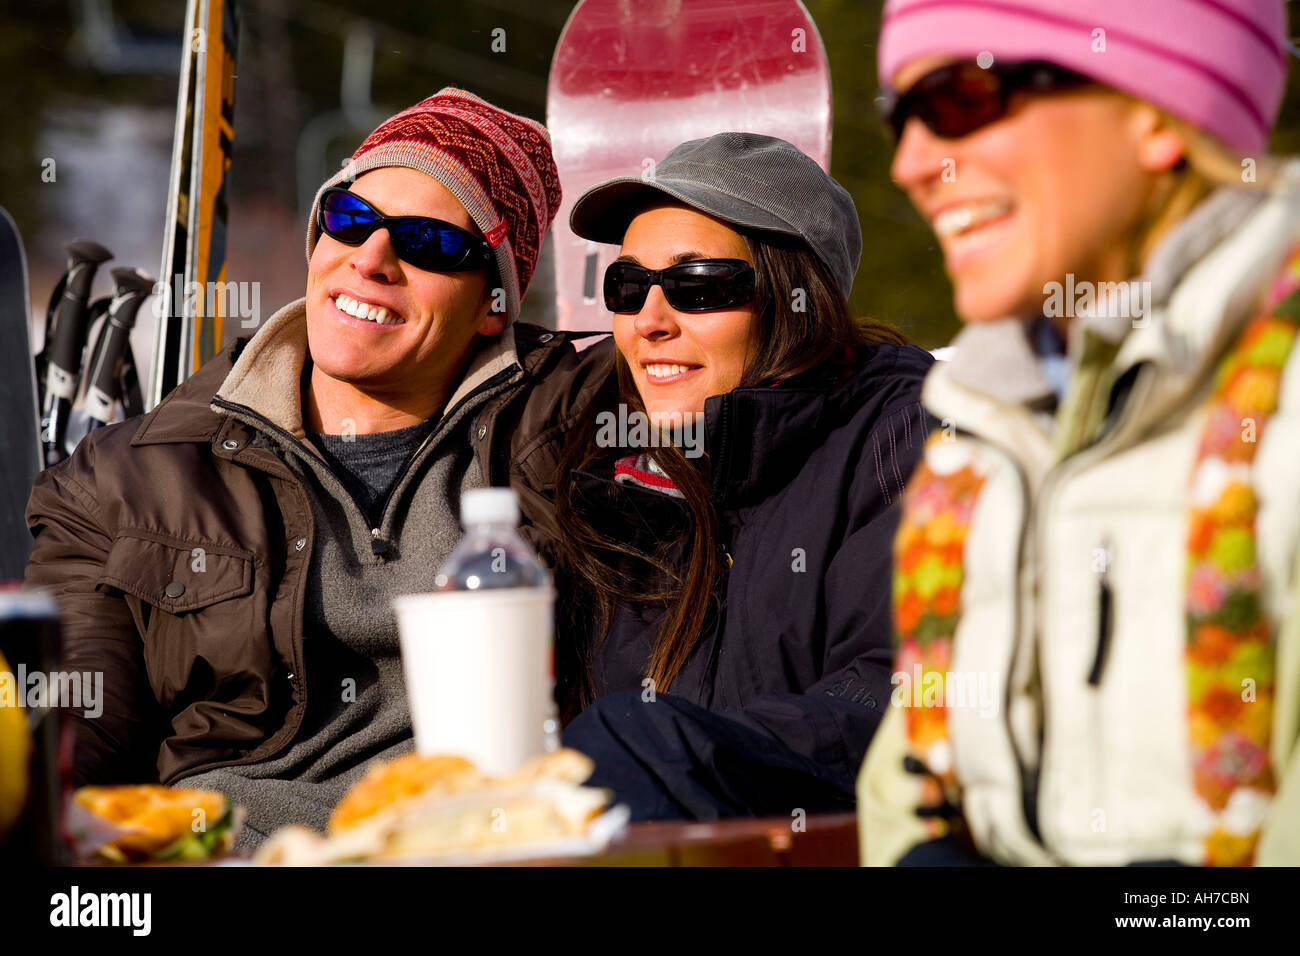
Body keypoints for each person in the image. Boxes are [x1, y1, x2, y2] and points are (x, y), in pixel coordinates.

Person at [24, 89, 608, 847]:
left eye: (427, 243)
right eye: (351, 220)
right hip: (229, 852)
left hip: (475, 843)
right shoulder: (125, 481)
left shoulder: (575, 438)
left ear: (494, 304)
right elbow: (76, 731)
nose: (371, 259)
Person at [858, 0, 1300, 865]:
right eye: (897, 116)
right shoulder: (981, 428)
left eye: (959, 98)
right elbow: (904, 796)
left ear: (1154, 114)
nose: (911, 163)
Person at [549, 132, 935, 820]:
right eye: (628, 286)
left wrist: (662, 752)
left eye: (699, 287)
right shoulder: (611, 475)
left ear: (797, 300)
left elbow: (893, 697)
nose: (649, 321)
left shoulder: (902, 434)